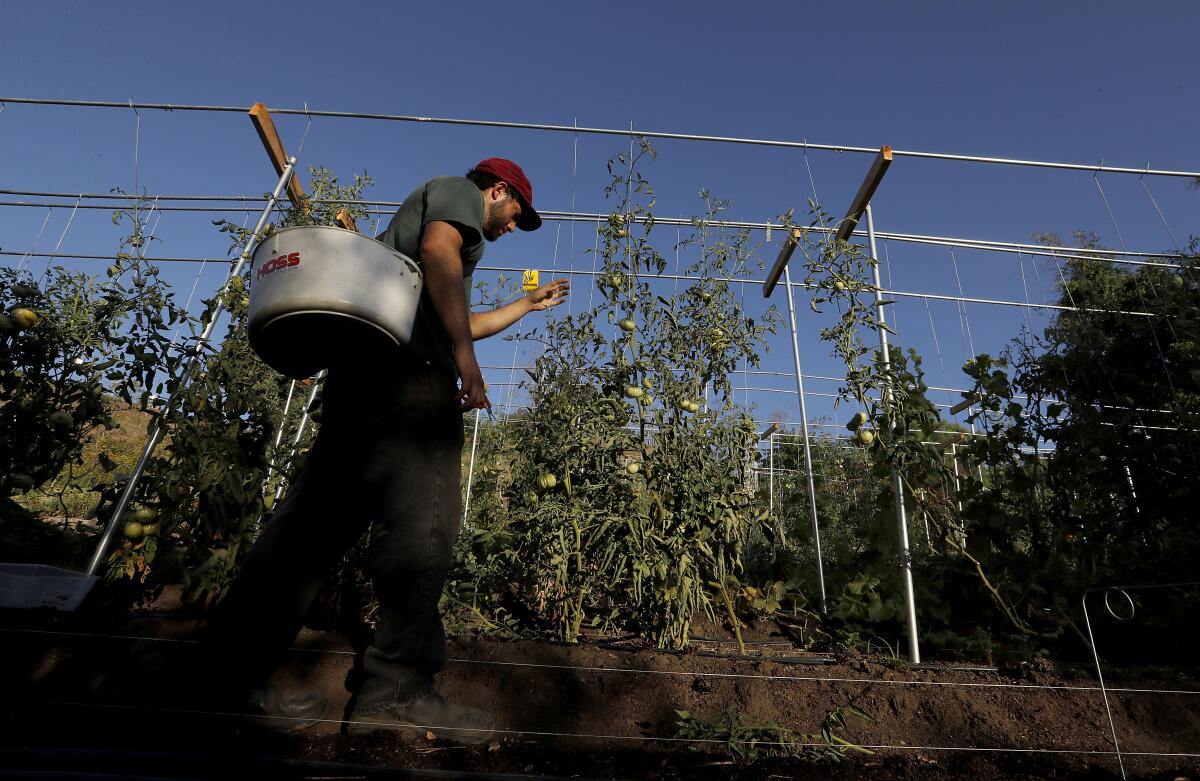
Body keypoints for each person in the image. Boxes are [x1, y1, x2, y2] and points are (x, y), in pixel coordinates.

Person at [198, 158, 569, 743]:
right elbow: (443, 256)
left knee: (309, 531)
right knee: (423, 531)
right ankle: (396, 691)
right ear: (496, 191)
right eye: (514, 214)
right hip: (413, 383)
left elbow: (457, 316)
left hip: (363, 377)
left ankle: (228, 677)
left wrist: (526, 305)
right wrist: (465, 366)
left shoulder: (418, 265)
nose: (509, 229)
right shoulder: (455, 196)